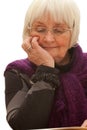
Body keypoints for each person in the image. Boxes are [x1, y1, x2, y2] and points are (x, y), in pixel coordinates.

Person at [4, 0, 87, 129]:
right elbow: (22, 126)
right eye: (40, 29)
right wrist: (46, 69)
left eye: (59, 30)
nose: (48, 38)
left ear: (73, 32)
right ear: (28, 31)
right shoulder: (17, 71)